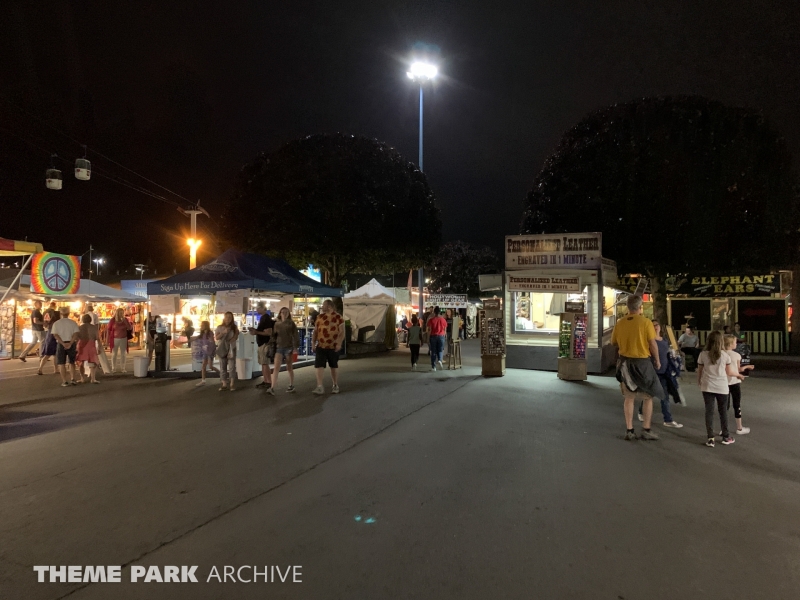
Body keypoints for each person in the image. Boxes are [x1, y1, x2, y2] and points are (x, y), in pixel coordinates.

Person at [611, 295, 662, 441]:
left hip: (625, 364)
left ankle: (629, 430)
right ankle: (646, 429)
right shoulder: (646, 322)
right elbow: (652, 344)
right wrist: (657, 360)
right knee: (648, 397)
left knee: (629, 397)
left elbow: (614, 342)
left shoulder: (620, 323)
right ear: (641, 307)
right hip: (643, 364)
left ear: (627, 307)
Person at [698, 331, 743, 447]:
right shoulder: (724, 356)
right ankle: (725, 436)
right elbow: (729, 372)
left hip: (707, 385)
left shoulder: (703, 354)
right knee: (723, 411)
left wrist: (699, 381)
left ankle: (710, 438)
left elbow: (700, 370)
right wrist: (738, 375)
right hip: (722, 386)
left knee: (709, 412)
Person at [637, 320, 683, 428]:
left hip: (664, 372)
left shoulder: (664, 341)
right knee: (649, 395)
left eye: (657, 325)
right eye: (653, 326)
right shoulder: (648, 341)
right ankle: (642, 412)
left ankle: (668, 419)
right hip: (652, 372)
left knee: (664, 396)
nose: (655, 327)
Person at [312, 299, 344, 394]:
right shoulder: (320, 317)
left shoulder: (338, 317)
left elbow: (342, 332)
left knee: (333, 366)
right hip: (321, 345)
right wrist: (313, 343)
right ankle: (319, 386)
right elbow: (316, 331)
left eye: (324, 305)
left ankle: (335, 384)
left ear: (329, 306)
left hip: (333, 346)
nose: (322, 306)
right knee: (319, 366)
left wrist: (338, 343)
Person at [724, 334, 755, 435]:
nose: (736, 344)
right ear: (731, 344)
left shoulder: (721, 354)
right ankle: (739, 428)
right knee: (737, 405)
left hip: (724, 382)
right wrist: (746, 367)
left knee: (724, 406)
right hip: (735, 382)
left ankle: (723, 428)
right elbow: (738, 369)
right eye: (735, 342)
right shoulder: (736, 355)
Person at [268, 307, 299, 395]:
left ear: (288, 313)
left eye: (286, 312)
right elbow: (274, 336)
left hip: (288, 347)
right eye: (283, 312)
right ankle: (272, 387)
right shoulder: (277, 324)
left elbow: (295, 335)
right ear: (280, 313)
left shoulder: (291, 323)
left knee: (289, 367)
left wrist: (295, 348)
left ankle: (291, 384)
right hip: (279, 347)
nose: (284, 314)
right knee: (276, 367)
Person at [248, 301, 274, 389]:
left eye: (258, 307)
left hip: (264, 343)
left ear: (263, 308)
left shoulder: (266, 318)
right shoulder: (263, 317)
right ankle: (266, 380)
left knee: (265, 363)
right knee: (263, 363)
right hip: (261, 343)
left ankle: (268, 381)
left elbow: (268, 332)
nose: (257, 309)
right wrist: (256, 331)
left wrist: (256, 332)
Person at [51, 307, 80, 387]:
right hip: (71, 343)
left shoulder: (56, 323)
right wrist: (70, 343)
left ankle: (64, 381)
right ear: (69, 313)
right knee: (72, 362)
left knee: (61, 363)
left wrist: (63, 343)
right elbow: (76, 334)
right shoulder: (73, 323)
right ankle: (73, 379)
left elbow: (55, 335)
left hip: (61, 344)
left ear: (60, 313)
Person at [215, 311, 239, 391]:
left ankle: (232, 383)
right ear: (224, 318)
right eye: (226, 317)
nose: (228, 319)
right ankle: (224, 383)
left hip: (231, 348)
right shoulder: (219, 327)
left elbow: (236, 336)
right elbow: (217, 337)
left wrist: (233, 339)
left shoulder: (234, 327)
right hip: (222, 348)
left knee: (232, 366)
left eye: (230, 317)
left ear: (232, 318)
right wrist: (223, 333)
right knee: (223, 366)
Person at [76, 313, 101, 384]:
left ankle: (82, 378)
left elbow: (77, 337)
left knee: (81, 362)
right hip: (91, 344)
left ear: (82, 320)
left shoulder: (80, 327)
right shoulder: (94, 328)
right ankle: (93, 378)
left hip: (82, 344)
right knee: (93, 362)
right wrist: (99, 347)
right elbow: (97, 338)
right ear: (90, 320)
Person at [37, 304, 61, 375]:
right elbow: (58, 322)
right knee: (55, 353)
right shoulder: (55, 313)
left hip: (48, 332)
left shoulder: (45, 312)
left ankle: (40, 369)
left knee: (47, 353)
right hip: (54, 332)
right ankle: (55, 369)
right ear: (54, 306)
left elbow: (45, 323)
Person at [108, 308, 132, 373]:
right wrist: (108, 339)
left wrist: (125, 321)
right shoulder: (113, 320)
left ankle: (123, 368)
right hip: (115, 338)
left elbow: (129, 328)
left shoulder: (125, 319)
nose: (121, 314)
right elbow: (109, 329)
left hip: (123, 338)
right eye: (120, 313)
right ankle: (113, 368)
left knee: (123, 354)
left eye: (122, 313)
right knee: (114, 354)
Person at [194, 320, 219, 386]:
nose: (201, 326)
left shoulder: (210, 333)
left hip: (210, 352)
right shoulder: (202, 334)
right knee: (203, 366)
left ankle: (222, 375)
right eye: (201, 325)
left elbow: (212, 342)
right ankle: (203, 380)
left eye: (203, 325)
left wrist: (212, 349)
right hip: (205, 351)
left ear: (206, 326)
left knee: (210, 366)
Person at [426, 306, 447, 371]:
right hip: (441, 336)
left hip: (433, 336)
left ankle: (433, 367)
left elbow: (429, 330)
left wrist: (428, 338)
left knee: (433, 352)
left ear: (434, 312)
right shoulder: (443, 319)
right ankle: (440, 360)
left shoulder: (431, 320)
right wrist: (444, 335)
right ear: (439, 312)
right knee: (440, 350)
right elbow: (445, 329)